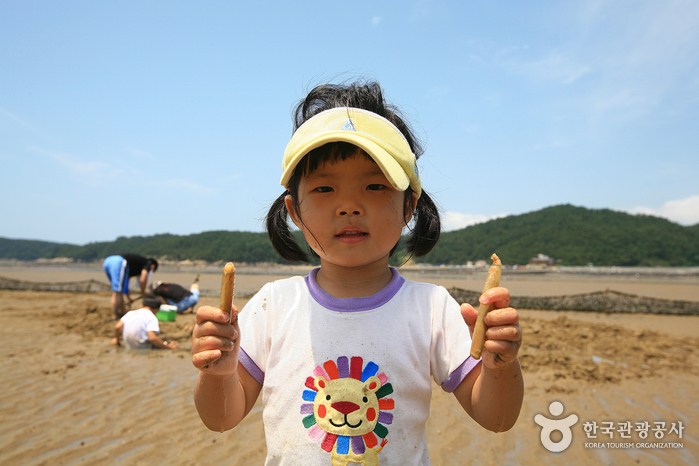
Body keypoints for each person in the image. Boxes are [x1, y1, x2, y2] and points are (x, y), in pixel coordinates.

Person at [192, 80, 523, 464]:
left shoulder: (431, 307)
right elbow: (220, 419)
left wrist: (500, 367)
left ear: (409, 206)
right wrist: (218, 373)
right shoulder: (273, 306)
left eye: (374, 185)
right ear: (294, 211)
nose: (349, 205)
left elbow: (497, 418)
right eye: (324, 189)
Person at [102, 254, 158, 320]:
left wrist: (128, 297)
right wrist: (143, 292)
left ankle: (122, 311)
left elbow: (126, 282)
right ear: (153, 266)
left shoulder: (135, 266)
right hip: (119, 262)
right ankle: (114, 315)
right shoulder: (148, 264)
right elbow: (143, 279)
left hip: (108, 261)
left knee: (119, 291)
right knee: (117, 291)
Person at [113, 294, 179, 350]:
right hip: (142, 347)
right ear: (157, 309)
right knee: (160, 345)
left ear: (141, 305)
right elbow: (152, 338)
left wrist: (117, 340)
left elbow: (117, 327)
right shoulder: (152, 317)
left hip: (128, 345)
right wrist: (168, 347)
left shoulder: (130, 313)